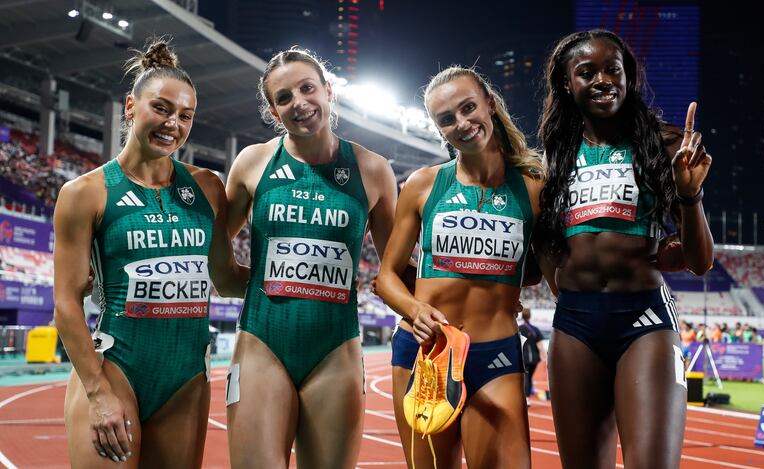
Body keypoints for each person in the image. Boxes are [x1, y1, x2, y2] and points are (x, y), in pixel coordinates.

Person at [536, 30, 713, 469]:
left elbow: (701, 261)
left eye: (613, 69)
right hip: (575, 323)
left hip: (645, 319)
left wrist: (691, 197)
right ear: (565, 83)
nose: (603, 79)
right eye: (587, 72)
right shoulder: (554, 156)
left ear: (628, 76)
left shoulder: (664, 142)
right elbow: (545, 241)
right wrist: (563, 285)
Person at [218, 48, 397, 468]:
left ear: (328, 91)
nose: (298, 102)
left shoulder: (373, 170)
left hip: (336, 350)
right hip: (262, 343)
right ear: (273, 111)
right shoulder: (253, 162)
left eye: (306, 88)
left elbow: (397, 267)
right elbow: (210, 245)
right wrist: (235, 278)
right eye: (283, 97)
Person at [54, 38, 222, 467]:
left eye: (186, 116)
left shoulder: (208, 188)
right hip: (116, 370)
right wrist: (98, 394)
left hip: (186, 379)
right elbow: (65, 304)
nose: (173, 124)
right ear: (131, 106)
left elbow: (226, 275)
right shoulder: (84, 193)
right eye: (161, 108)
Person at [376, 66, 546, 468]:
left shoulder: (534, 188)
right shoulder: (423, 184)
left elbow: (543, 269)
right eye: (447, 119)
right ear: (438, 129)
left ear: (489, 102)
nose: (462, 124)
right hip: (426, 353)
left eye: (468, 108)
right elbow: (385, 277)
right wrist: (414, 309)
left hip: (497, 354)